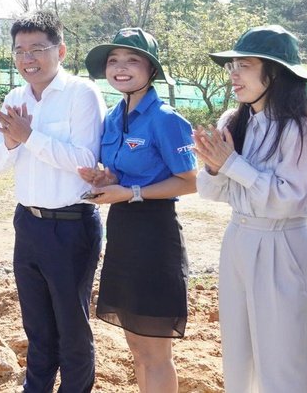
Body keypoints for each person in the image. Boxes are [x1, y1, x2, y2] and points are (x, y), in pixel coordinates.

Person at [193, 24, 307, 393]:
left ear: (276, 73)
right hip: (238, 237)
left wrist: (232, 164)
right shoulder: (233, 122)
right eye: (232, 65)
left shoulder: (302, 129)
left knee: (284, 355)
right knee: (239, 353)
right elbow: (211, 192)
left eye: (245, 65)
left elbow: (288, 199)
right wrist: (214, 166)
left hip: (282, 243)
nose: (234, 74)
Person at [0, 10, 105, 393]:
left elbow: (86, 161)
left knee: (72, 329)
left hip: (71, 225)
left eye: (37, 48)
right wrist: (11, 141)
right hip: (28, 224)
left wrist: (30, 136)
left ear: (61, 51)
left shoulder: (81, 94)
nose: (28, 58)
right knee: (37, 328)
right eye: (20, 51)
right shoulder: (15, 97)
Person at [77, 29, 197, 393]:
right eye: (113, 60)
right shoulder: (115, 116)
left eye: (132, 60)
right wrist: (108, 177)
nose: (121, 68)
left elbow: (191, 181)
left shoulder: (165, 118)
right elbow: (126, 171)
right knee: (137, 347)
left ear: (151, 69)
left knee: (155, 351)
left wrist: (131, 192)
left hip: (155, 236)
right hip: (123, 232)